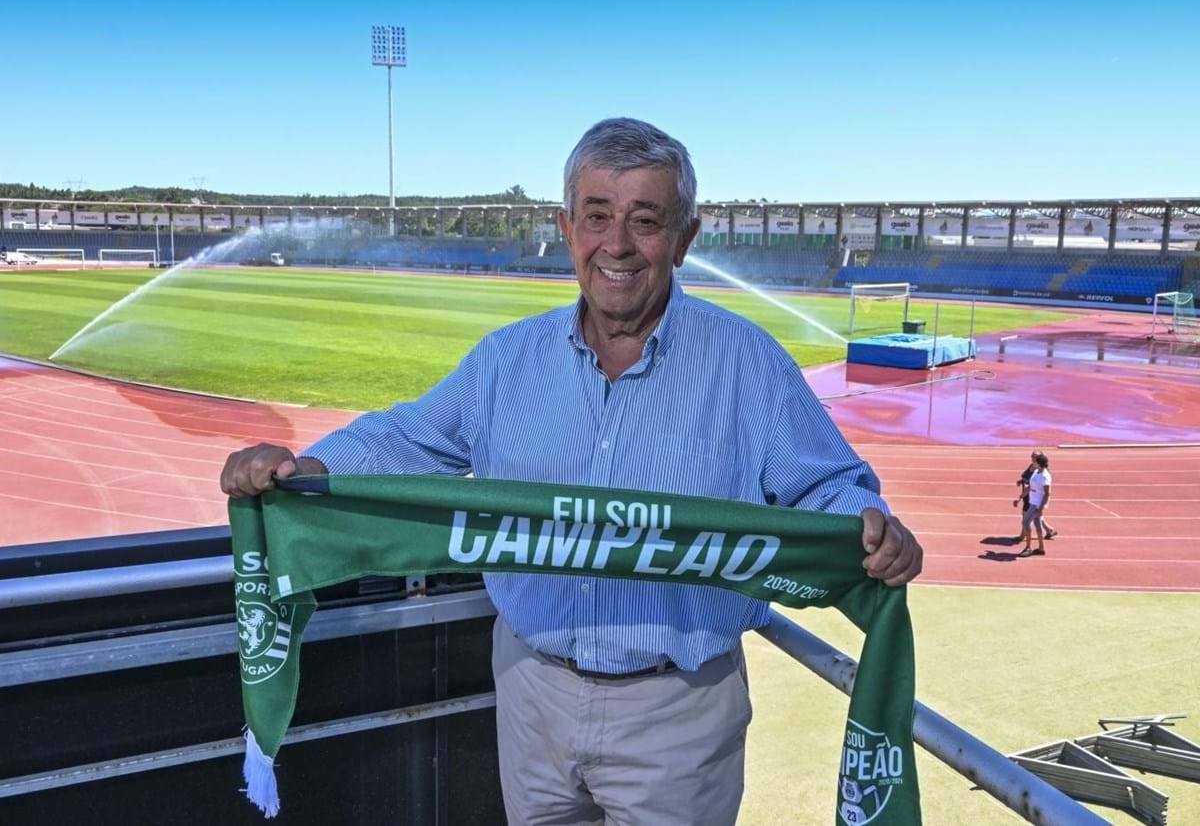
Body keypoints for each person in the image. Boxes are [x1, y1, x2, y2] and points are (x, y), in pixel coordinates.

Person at [220, 117, 924, 826]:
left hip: (676, 714)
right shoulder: (504, 362)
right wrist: (306, 468)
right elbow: (403, 440)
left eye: (645, 221)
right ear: (567, 227)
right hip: (532, 690)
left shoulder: (749, 365)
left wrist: (869, 526)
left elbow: (829, 485)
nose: (616, 245)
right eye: (597, 217)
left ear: (685, 237)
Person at [1014, 449, 1057, 541]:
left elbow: (1043, 488)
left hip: (1033, 497)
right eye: (1032, 456)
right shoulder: (1032, 466)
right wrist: (1021, 481)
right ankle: (1049, 530)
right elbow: (1028, 478)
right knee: (1036, 516)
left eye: (1035, 456)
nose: (1033, 458)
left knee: (1026, 516)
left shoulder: (1041, 471)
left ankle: (1023, 536)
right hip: (1027, 495)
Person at [1018, 452, 1053, 558]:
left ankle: (1028, 547)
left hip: (1037, 504)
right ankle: (1041, 548)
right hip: (1032, 502)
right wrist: (1020, 497)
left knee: (1025, 522)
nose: (1032, 461)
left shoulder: (1044, 476)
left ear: (1039, 462)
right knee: (1037, 525)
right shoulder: (1036, 471)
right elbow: (1030, 486)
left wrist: (1041, 508)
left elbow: (1047, 493)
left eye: (1035, 459)